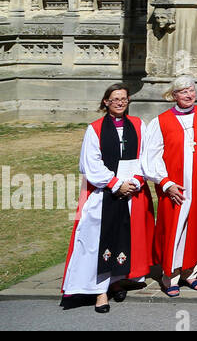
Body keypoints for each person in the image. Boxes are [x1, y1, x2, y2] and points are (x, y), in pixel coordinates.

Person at [61, 83, 154, 312]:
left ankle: (116, 281)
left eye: (124, 98)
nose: (120, 102)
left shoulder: (139, 125)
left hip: (132, 192)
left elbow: (147, 156)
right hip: (104, 195)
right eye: (115, 99)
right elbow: (90, 163)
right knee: (98, 242)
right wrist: (115, 184)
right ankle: (100, 292)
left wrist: (136, 180)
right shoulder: (95, 129)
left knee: (125, 238)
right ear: (106, 102)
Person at [143, 76, 197, 295]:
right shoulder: (161, 121)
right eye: (183, 91)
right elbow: (151, 157)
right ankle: (170, 275)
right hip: (175, 188)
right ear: (174, 95)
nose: (188, 95)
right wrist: (166, 184)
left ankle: (191, 273)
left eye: (191, 90)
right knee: (174, 230)